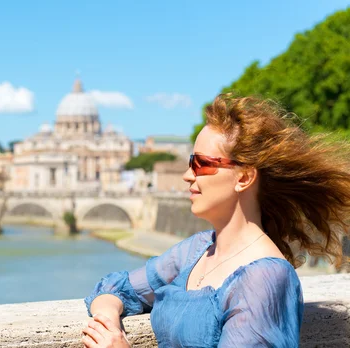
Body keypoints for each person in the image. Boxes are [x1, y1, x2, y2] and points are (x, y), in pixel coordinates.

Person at [82, 94, 350, 347]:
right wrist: (108, 323)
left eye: (201, 164)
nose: (187, 175)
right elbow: (118, 288)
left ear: (244, 177)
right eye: (190, 162)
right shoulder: (197, 249)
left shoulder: (266, 279)